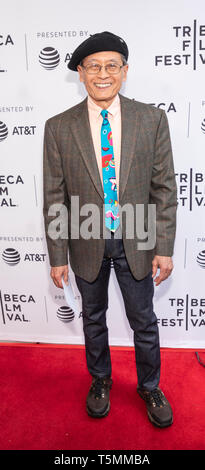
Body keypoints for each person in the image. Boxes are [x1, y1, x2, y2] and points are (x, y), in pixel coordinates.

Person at [43, 31, 177, 428]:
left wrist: (164, 246)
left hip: (137, 241)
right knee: (93, 318)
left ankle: (149, 385)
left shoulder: (151, 119)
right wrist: (57, 255)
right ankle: (100, 380)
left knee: (144, 321)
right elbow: (55, 196)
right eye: (94, 66)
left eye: (112, 65)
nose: (104, 74)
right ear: (81, 73)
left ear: (125, 71)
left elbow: (164, 188)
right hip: (85, 244)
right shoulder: (58, 127)